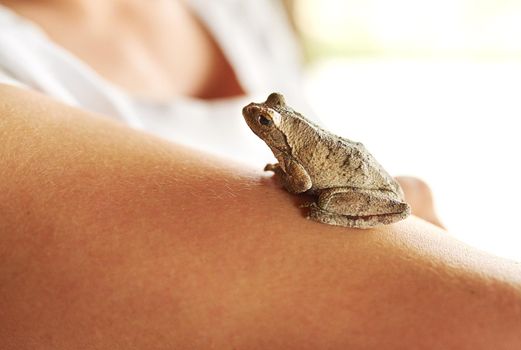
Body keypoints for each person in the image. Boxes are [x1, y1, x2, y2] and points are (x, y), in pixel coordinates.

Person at [0, 0, 519, 349]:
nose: (255, 117)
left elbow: (304, 182)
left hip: (360, 189)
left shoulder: (238, 10)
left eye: (266, 117)